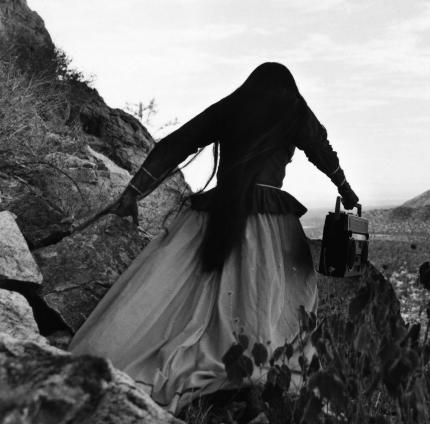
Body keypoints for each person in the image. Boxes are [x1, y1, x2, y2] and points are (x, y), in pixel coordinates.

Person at [68, 62, 359, 413]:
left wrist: (134, 191)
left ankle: (227, 368)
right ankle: (252, 370)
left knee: (186, 291)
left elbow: (177, 144)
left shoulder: (232, 105)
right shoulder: (293, 109)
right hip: (269, 220)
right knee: (276, 296)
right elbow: (322, 151)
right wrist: (346, 191)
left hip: (215, 212)